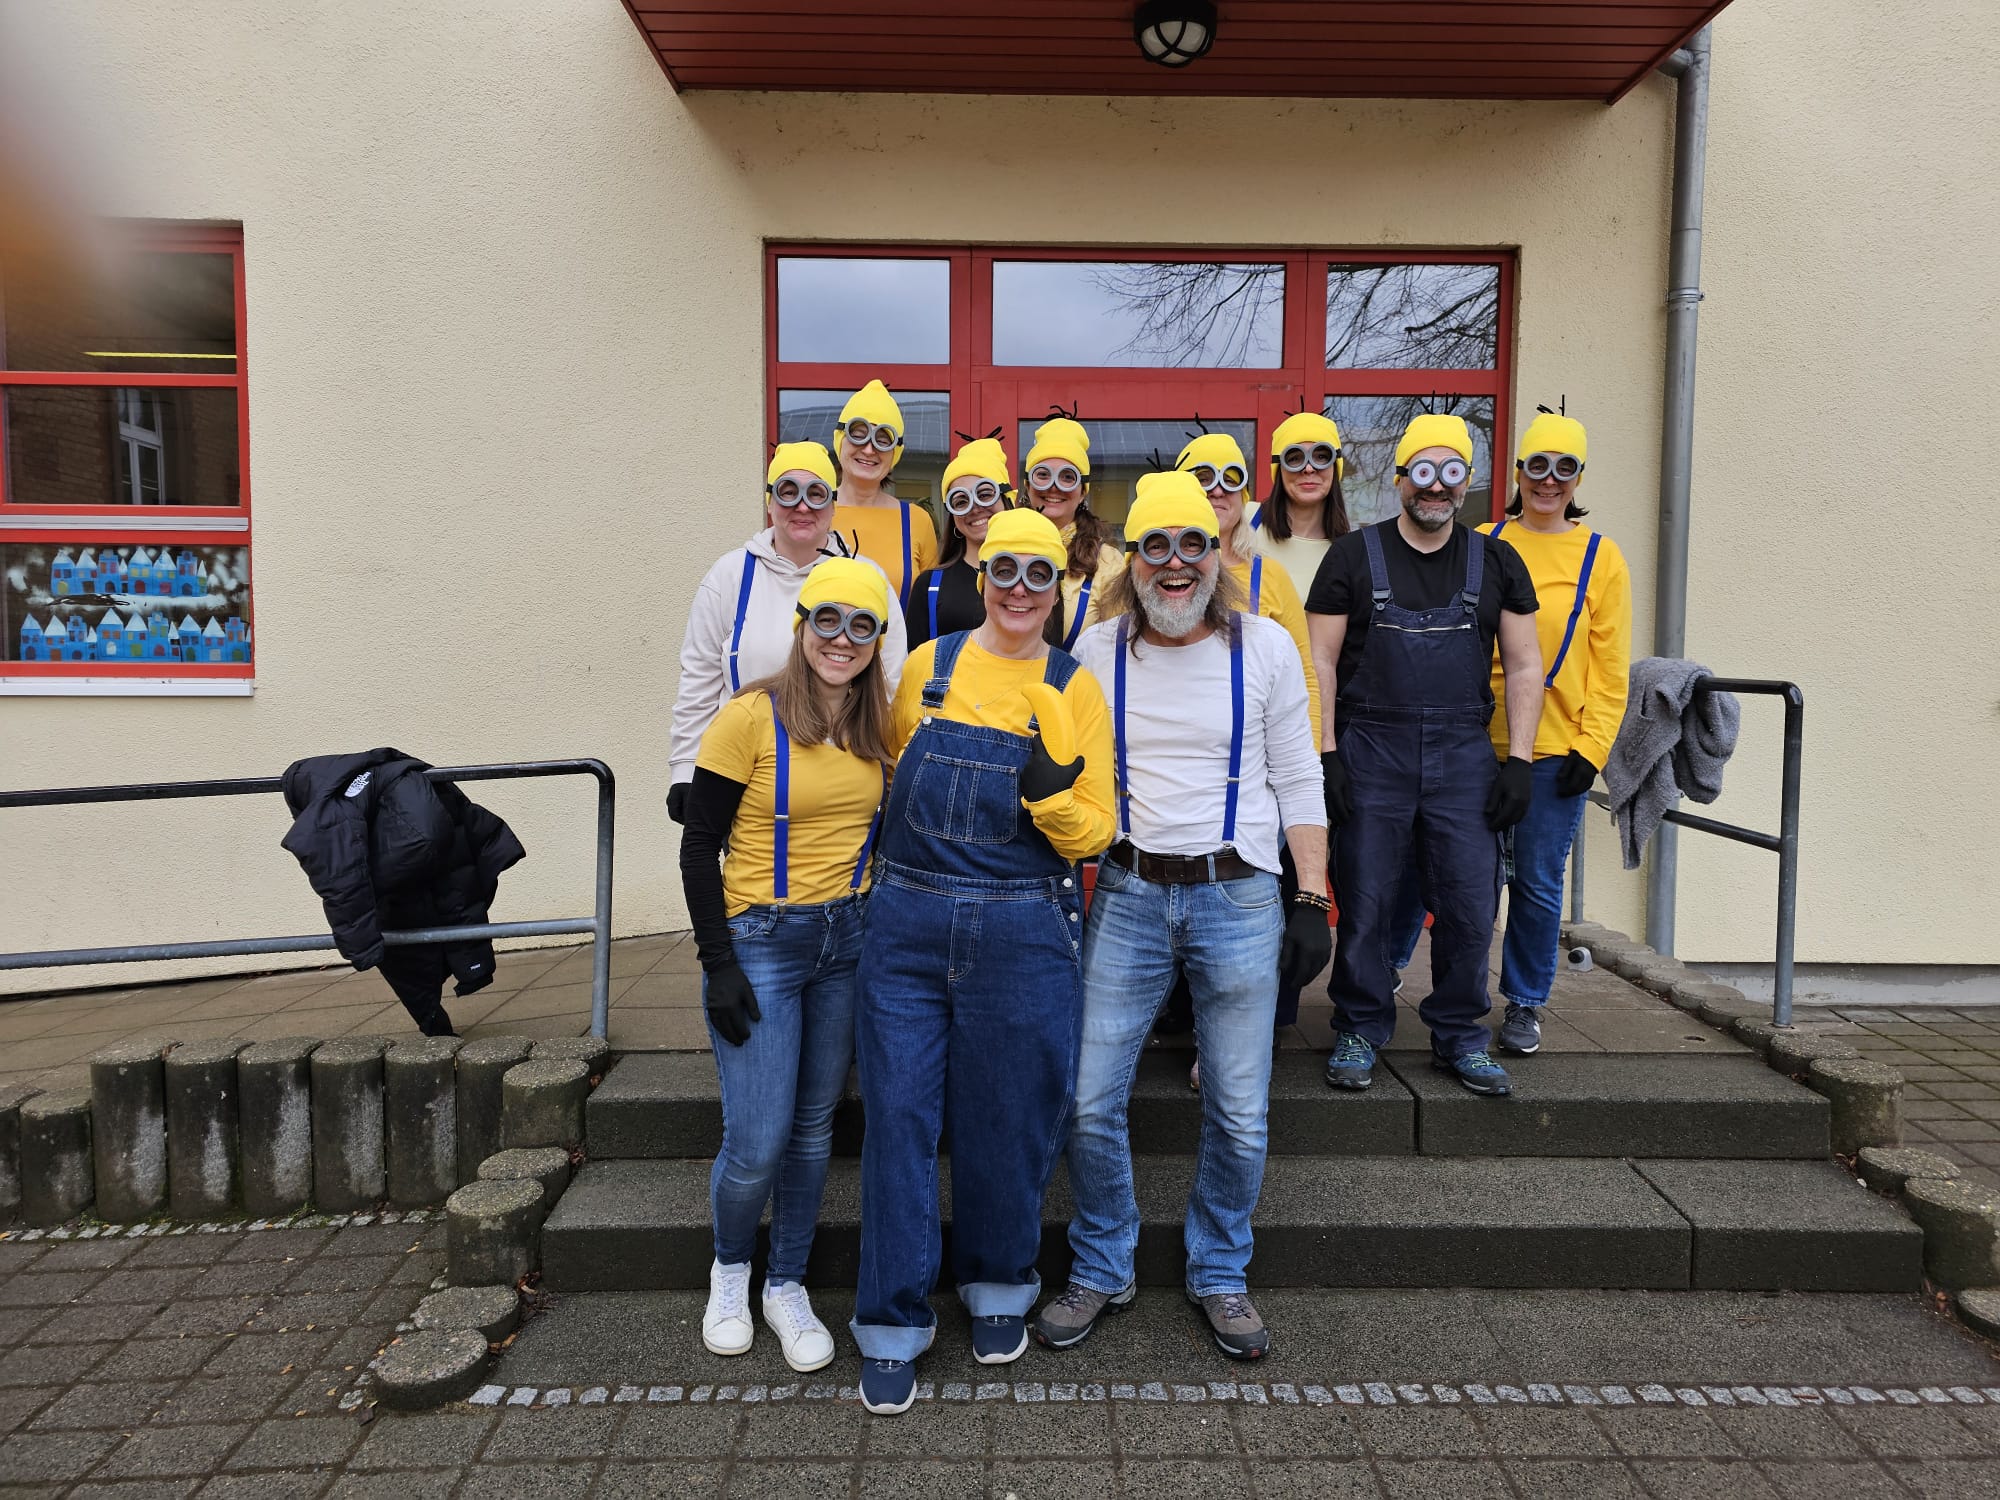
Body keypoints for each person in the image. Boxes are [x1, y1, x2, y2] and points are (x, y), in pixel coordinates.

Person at [1033, 470, 1329, 1362]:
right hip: (1125, 892)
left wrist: (1310, 894)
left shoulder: (1269, 648)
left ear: (1215, 555)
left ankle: (1220, 1272)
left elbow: (1299, 777)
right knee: (1088, 1100)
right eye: (1154, 546)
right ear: (1133, 562)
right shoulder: (1094, 650)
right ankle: (1102, 1262)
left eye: (1190, 545)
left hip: (1238, 894)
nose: (1173, 564)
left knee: (1238, 1108)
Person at [851, 507, 1118, 1416]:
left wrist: (1047, 789)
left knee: (1009, 1113)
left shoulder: (1075, 686)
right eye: (1002, 569)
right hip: (908, 920)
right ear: (980, 571)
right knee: (897, 1116)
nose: (1016, 589)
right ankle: (891, 1318)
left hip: (1025, 926)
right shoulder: (926, 669)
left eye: (1037, 575)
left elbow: (1098, 829)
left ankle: (1001, 1280)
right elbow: (890, 770)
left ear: (1056, 588)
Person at [676, 558, 895, 1374]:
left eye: (861, 625)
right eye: (827, 621)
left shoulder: (878, 727)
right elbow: (700, 846)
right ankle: (731, 1272)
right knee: (759, 1137)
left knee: (812, 1132)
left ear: (877, 641)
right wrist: (717, 960)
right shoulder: (748, 717)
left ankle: (788, 1284)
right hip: (760, 943)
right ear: (802, 627)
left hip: (850, 940)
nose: (842, 640)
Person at [1305, 413, 1543, 1097]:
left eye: (1451, 473)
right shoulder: (1352, 556)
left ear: (1465, 482)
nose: (1435, 488)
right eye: (1422, 473)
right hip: (1369, 747)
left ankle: (1462, 1035)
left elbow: (1525, 666)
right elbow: (1319, 659)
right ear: (1401, 478)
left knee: (1471, 898)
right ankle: (1359, 1024)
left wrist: (1519, 760)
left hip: (1463, 753)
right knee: (1368, 895)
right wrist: (1327, 754)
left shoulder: (1497, 560)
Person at [1159, 430, 1324, 1063]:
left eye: (1231, 478)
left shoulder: (1268, 575)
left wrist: (1312, 756)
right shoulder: (1151, 572)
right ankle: (1178, 1011)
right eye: (1203, 477)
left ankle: (1225, 1038)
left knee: (1243, 905)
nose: (1218, 490)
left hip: (1254, 771)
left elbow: (1304, 669)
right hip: (1179, 769)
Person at [1474, 409, 1631, 1053]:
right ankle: (1457, 992)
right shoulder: (1483, 539)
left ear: (1578, 478)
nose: (1549, 480)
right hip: (1476, 744)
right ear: (1518, 472)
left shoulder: (1601, 556)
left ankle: (1525, 1002)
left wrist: (1591, 750)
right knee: (1467, 878)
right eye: (1537, 466)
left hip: (1555, 750)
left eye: (1564, 469)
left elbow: (1612, 668)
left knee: (1537, 882)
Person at [668, 442, 908, 823]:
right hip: (746, 774)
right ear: (769, 502)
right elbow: (699, 677)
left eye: (815, 494)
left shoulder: (868, 578)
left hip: (842, 778)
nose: (802, 506)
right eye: (787, 491)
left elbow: (891, 681)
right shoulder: (729, 576)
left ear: (833, 505)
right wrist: (686, 766)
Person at [829, 379, 940, 612]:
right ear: (840, 439)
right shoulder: (811, 512)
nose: (869, 449)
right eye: (858, 434)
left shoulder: (916, 521)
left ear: (895, 453)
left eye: (882, 440)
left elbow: (927, 611)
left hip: (897, 649)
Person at [1021, 408, 1122, 653]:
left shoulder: (1108, 561)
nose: (1054, 487)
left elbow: (1117, 647)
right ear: (1027, 485)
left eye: (1068, 477)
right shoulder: (1002, 546)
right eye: (1043, 475)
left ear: (1083, 491)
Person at [908, 435, 1012, 647]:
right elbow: (914, 667)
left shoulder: (1033, 582)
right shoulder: (929, 586)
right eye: (961, 501)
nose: (974, 508)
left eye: (984, 494)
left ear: (1005, 499)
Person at [1254, 409, 1352, 587]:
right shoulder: (1244, 522)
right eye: (1294, 458)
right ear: (1279, 467)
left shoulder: (1351, 551)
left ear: (1335, 467)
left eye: (1322, 457)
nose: (1308, 468)